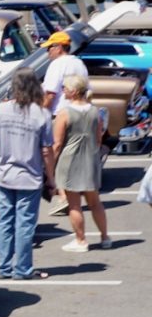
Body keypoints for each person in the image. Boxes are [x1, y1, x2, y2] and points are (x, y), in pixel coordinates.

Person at [0, 68, 57, 280]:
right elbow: (46, 151)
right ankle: (22, 268)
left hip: (5, 174)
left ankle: (4, 267)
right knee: (25, 224)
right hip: (29, 177)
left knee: (5, 221)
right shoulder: (42, 115)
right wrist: (51, 178)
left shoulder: (0, 110)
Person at [52, 75, 111, 252]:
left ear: (73, 91)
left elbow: (57, 143)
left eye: (65, 87)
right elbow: (99, 138)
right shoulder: (95, 111)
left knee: (74, 204)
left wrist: (50, 165)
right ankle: (105, 237)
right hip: (91, 159)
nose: (63, 90)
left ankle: (81, 240)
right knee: (95, 202)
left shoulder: (65, 113)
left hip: (71, 160)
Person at [39, 31, 89, 215]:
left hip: (61, 115)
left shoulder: (57, 65)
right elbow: (87, 92)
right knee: (73, 158)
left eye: (50, 48)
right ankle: (70, 193)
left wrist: (39, 113)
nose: (48, 52)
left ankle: (61, 194)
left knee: (55, 154)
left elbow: (50, 94)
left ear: (59, 47)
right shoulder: (79, 63)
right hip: (80, 114)